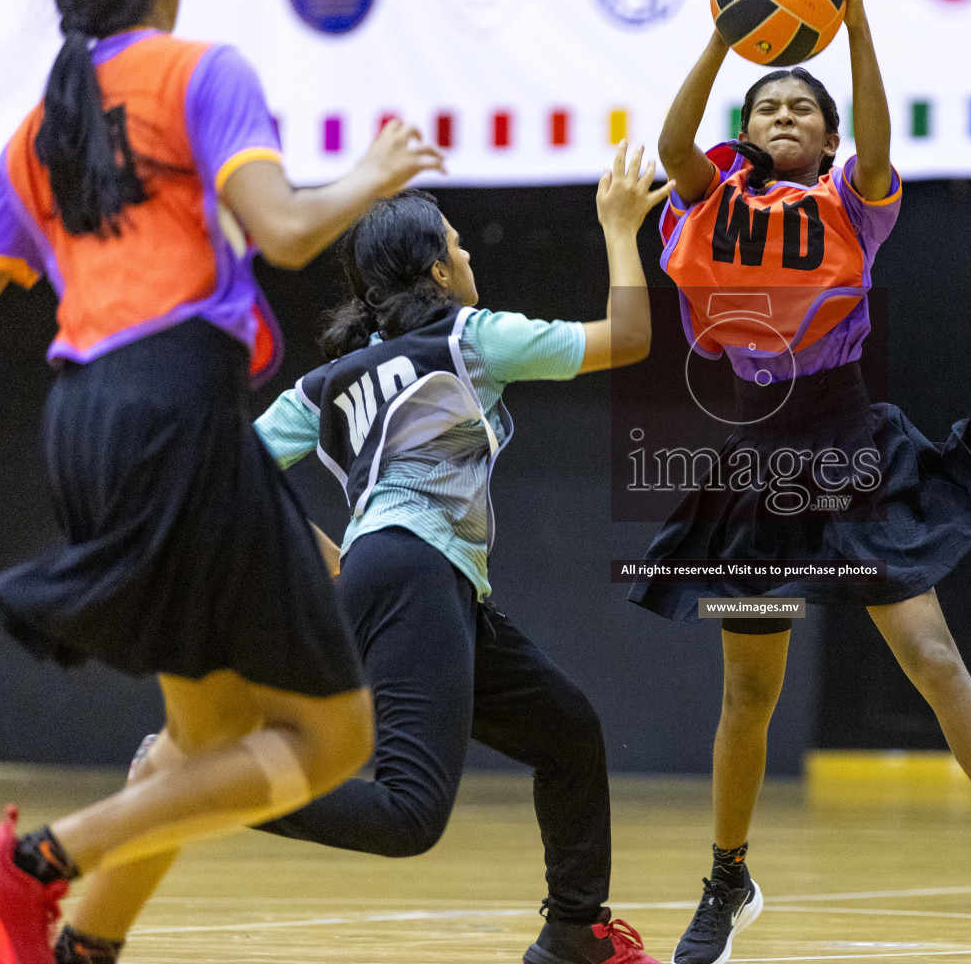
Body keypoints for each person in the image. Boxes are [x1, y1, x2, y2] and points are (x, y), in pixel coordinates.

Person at [70, 145, 673, 964]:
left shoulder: (327, 384)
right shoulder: (473, 338)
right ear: (435, 268)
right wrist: (617, 226)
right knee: (407, 817)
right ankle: (197, 789)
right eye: (459, 245)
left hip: (409, 578)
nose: (468, 255)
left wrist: (334, 558)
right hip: (418, 577)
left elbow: (232, 469)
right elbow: (631, 336)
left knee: (566, 732)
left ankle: (575, 932)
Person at [0, 0, 443, 963]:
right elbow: (280, 231)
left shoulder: (33, 130)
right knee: (336, 738)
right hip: (172, 405)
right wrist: (366, 176)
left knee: (208, 732)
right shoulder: (201, 71)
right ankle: (32, 862)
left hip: (83, 423)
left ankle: (83, 947)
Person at [636, 0, 971, 960]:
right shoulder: (705, 195)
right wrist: (731, 25)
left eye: (807, 108)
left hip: (850, 442)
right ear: (745, 133)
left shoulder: (856, 201)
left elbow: (879, 135)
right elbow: (676, 139)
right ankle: (727, 880)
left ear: (831, 135)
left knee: (935, 658)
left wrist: (857, 29)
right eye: (769, 109)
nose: (788, 117)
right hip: (758, 455)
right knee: (748, 694)